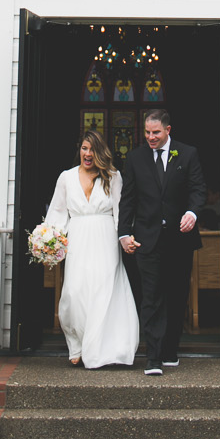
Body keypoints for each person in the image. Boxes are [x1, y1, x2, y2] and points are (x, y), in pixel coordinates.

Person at [118, 108, 205, 375]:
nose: (151, 137)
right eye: (147, 132)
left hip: (179, 239)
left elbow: (198, 189)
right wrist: (123, 233)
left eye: (156, 132)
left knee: (177, 295)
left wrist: (192, 213)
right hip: (147, 239)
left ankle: (169, 350)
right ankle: (153, 358)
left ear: (168, 130)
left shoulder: (187, 154)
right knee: (151, 297)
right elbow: (128, 200)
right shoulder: (134, 158)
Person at [44, 128, 139, 368]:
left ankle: (103, 348)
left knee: (103, 291)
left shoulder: (113, 176)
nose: (87, 154)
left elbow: (120, 211)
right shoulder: (66, 177)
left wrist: (125, 237)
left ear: (100, 152)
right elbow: (57, 212)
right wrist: (49, 243)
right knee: (74, 292)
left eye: (92, 149)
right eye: (84, 148)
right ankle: (76, 343)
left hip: (106, 238)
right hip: (77, 237)